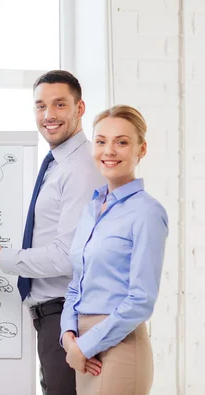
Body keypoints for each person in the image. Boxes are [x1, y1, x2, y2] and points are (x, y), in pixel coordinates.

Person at [0, 70, 104, 395]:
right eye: (40, 106)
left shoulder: (80, 167)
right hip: (51, 316)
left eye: (59, 105)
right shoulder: (56, 164)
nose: (48, 115)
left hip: (66, 315)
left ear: (80, 108)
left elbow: (68, 256)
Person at [60, 105, 168, 394]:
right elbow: (76, 283)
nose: (109, 150)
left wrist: (86, 344)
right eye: (101, 141)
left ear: (141, 149)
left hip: (119, 344)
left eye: (121, 142)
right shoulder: (91, 209)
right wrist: (69, 337)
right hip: (82, 347)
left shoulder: (147, 212)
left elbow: (142, 299)